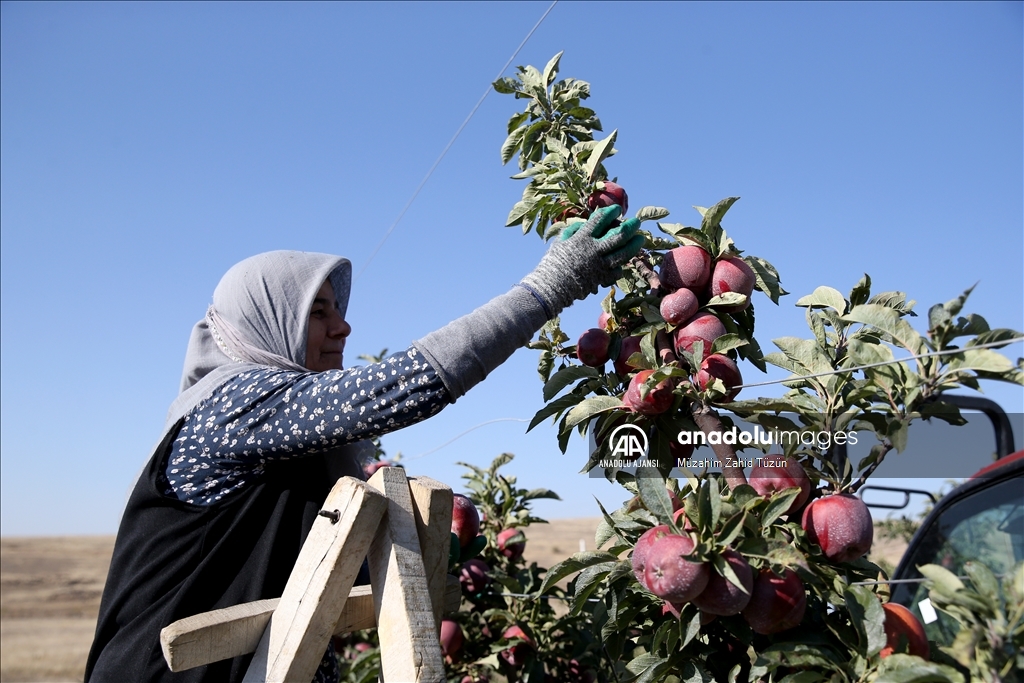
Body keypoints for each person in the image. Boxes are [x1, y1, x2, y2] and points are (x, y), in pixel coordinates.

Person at [84, 205, 642, 682]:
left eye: (339, 311)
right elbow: (407, 385)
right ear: (264, 323)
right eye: (316, 313)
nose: (343, 329)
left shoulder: (295, 449)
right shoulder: (234, 405)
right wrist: (547, 289)